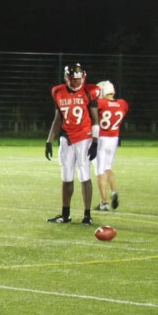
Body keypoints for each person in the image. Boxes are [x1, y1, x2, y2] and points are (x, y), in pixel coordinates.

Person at [44, 62, 101, 225]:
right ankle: (65, 214)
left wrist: (95, 142)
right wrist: (49, 140)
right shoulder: (58, 92)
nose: (76, 82)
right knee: (66, 177)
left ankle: (87, 215)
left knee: (84, 176)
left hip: (83, 138)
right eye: (73, 79)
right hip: (66, 138)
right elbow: (58, 118)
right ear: (66, 78)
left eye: (78, 79)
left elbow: (95, 120)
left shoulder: (90, 92)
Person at [94, 80, 128, 211]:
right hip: (114, 138)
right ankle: (114, 192)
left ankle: (104, 203)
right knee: (108, 167)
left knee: (99, 171)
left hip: (102, 138)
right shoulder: (122, 103)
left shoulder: (101, 103)